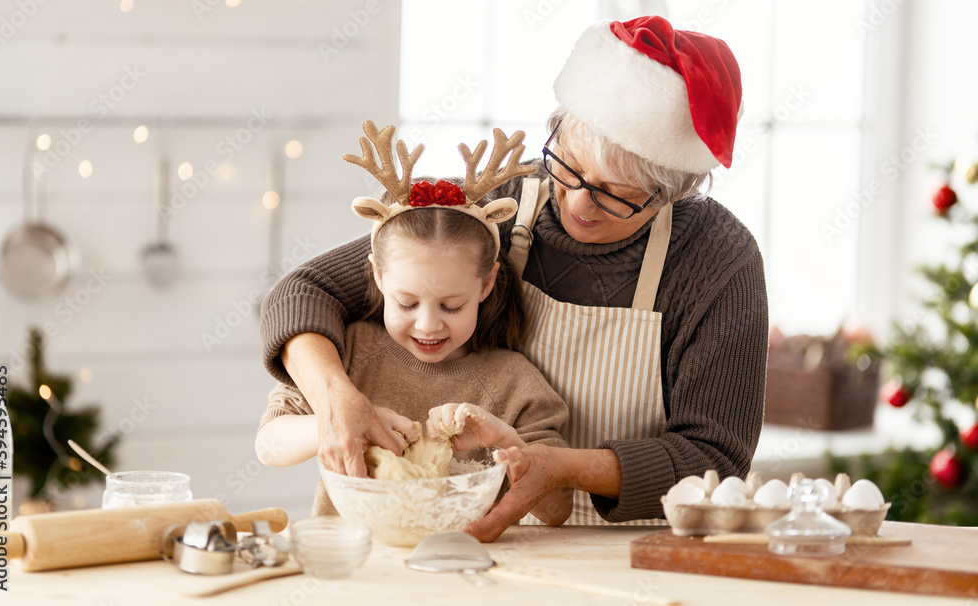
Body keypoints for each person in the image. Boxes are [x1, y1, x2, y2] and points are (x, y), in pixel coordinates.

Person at [260, 15, 767, 539]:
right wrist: (335, 400)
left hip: (635, 547)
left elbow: (715, 460)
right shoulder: (487, 208)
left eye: (615, 193)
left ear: (674, 191)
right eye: (566, 167)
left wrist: (564, 468)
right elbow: (301, 293)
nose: (576, 203)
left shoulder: (716, 260)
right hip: (486, 547)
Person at [255, 121, 572, 525]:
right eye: (406, 303)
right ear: (378, 277)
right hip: (356, 571)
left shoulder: (515, 383)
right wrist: (337, 425)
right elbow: (268, 445)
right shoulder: (348, 353)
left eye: (452, 306)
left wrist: (506, 441)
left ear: (487, 283)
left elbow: (557, 510)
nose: (427, 325)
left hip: (469, 573)